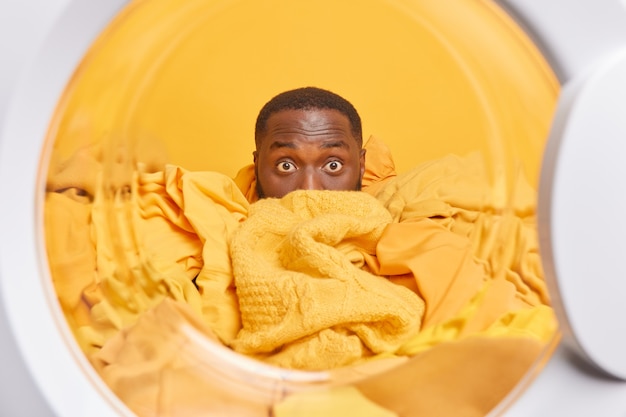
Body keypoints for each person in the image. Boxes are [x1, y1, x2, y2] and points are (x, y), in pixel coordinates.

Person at [253, 86, 366, 199]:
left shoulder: (382, 208)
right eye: (285, 166)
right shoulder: (236, 212)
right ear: (256, 168)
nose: (310, 190)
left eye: (333, 165)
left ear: (361, 166)